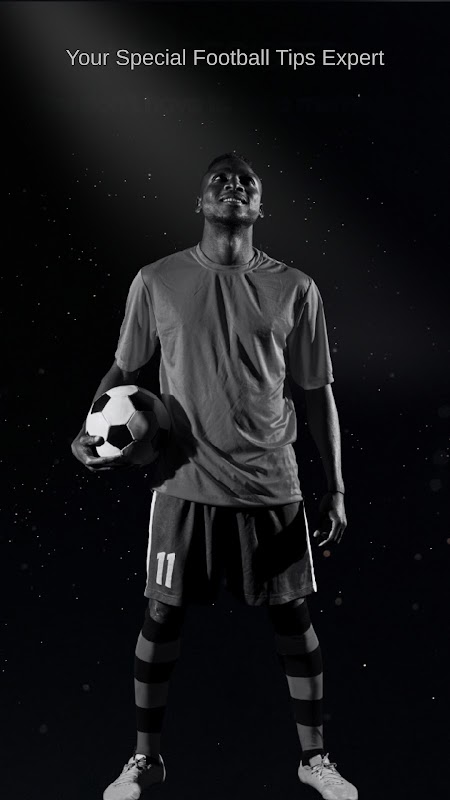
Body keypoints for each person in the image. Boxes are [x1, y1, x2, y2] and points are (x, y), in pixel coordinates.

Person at [71, 152, 358, 800]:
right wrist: (84, 430)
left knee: (292, 619)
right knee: (161, 617)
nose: (233, 187)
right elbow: (125, 371)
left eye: (246, 182)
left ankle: (315, 760)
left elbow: (318, 394)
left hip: (271, 483)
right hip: (184, 482)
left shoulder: (297, 288)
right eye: (220, 181)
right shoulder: (157, 280)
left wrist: (337, 487)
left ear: (260, 206)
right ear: (200, 203)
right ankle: (145, 760)